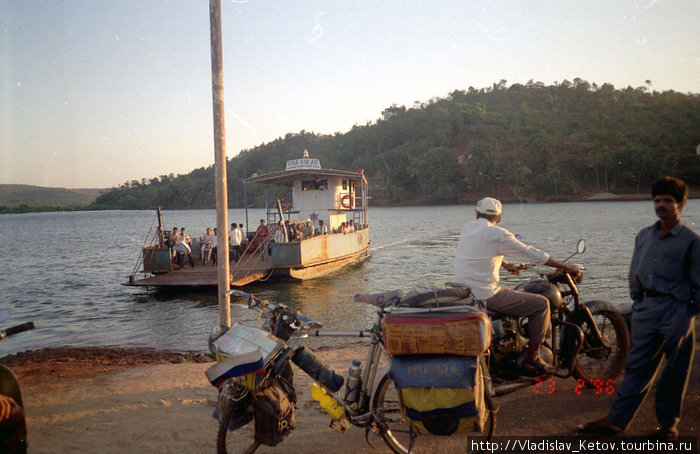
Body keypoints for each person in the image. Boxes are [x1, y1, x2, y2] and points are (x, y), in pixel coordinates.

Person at [578, 177, 699, 439]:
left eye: (668, 200)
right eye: (657, 200)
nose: (661, 205)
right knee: (636, 366)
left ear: (680, 204)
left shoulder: (691, 240)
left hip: (675, 311)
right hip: (645, 308)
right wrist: (639, 301)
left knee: (674, 370)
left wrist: (687, 312)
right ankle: (616, 421)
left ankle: (668, 425)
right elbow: (635, 271)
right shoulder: (644, 235)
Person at [454, 197, 580, 375]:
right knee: (541, 304)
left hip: (464, 293)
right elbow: (530, 253)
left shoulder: (467, 228)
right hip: (486, 294)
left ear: (476, 213)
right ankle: (533, 358)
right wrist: (567, 267)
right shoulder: (499, 234)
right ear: (499, 218)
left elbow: (481, 250)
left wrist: (505, 264)